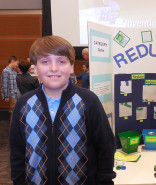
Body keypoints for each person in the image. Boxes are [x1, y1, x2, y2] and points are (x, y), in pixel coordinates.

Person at [10, 36, 116, 184]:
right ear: (34, 67)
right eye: (45, 62)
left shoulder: (88, 101)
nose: (54, 68)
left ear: (72, 66)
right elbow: (17, 152)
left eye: (61, 61)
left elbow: (105, 148)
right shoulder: (24, 104)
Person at [1, 56, 20, 120]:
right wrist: (5, 96)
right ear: (13, 61)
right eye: (17, 63)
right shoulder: (6, 71)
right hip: (12, 95)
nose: (17, 65)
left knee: (17, 112)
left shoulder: (14, 71)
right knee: (13, 113)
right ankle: (12, 129)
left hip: (17, 94)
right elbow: (4, 84)